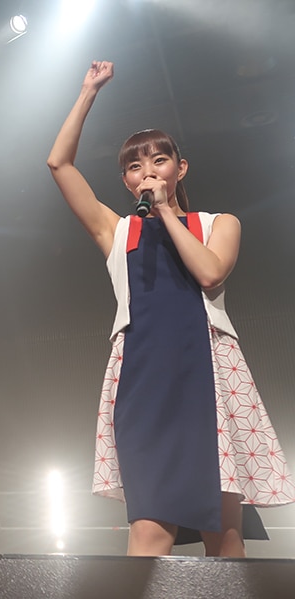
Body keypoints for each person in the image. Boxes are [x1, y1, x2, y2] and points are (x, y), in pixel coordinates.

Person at [46, 61, 294, 557]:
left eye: (159, 161)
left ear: (180, 169)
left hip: (209, 373)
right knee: (148, 529)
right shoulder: (117, 230)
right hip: (142, 376)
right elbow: (59, 165)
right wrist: (88, 91)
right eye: (135, 167)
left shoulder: (220, 222)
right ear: (125, 179)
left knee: (223, 532)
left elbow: (210, 273)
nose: (148, 172)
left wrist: (164, 209)